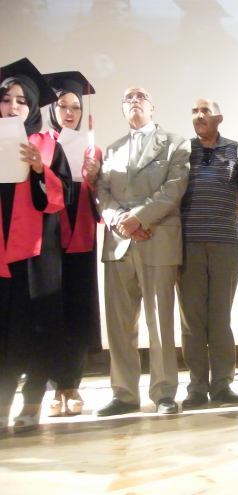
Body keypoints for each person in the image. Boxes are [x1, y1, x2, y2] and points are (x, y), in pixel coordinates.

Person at [95, 87, 190, 416]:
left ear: (152, 107)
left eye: (140, 97)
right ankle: (123, 394)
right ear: (123, 110)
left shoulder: (175, 143)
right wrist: (119, 219)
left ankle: (164, 393)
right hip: (118, 242)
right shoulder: (113, 149)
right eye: (128, 99)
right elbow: (101, 191)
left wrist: (139, 218)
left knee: (160, 321)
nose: (134, 102)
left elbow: (174, 188)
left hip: (157, 239)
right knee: (120, 324)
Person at [0, 58, 72, 434]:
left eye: (22, 100)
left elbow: (63, 197)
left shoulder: (47, 144)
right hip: (0, 252)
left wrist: (40, 170)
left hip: (37, 254)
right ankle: (1, 405)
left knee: (39, 328)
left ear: (32, 107)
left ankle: (31, 403)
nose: (13, 107)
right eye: (6, 99)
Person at [177, 98, 238, 410]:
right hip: (188, 245)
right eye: (194, 111)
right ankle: (196, 388)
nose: (199, 115)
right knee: (192, 321)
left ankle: (222, 385)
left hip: (225, 245)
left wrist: (221, 220)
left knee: (221, 318)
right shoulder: (182, 151)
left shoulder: (236, 150)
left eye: (205, 111)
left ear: (219, 117)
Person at [43, 71, 102, 416]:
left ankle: (73, 385)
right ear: (52, 109)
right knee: (53, 311)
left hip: (81, 239)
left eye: (75, 107)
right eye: (62, 106)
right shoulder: (39, 144)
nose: (69, 113)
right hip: (48, 241)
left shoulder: (92, 149)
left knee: (79, 311)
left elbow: (102, 202)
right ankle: (55, 387)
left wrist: (94, 178)